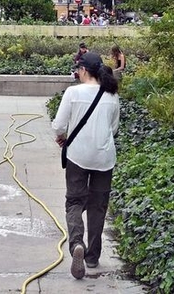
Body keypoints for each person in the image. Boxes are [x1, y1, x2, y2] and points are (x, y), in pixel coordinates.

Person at [51, 51, 120, 279]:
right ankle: (92, 257)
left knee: (74, 201)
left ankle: (76, 244)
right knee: (98, 206)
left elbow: (59, 125)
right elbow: (114, 129)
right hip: (104, 157)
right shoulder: (111, 95)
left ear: (83, 70)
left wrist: (63, 137)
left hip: (78, 156)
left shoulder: (73, 93)